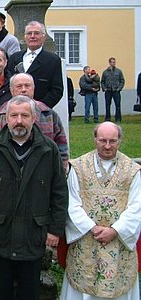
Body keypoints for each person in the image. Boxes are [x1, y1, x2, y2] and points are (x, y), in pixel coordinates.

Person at [0, 95, 68, 300]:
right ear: (5, 118)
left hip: (33, 235)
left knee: (29, 293)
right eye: (14, 115)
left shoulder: (49, 149)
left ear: (34, 118)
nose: (19, 120)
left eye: (24, 115)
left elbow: (59, 192)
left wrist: (55, 229)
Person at [60, 122, 141, 300]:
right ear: (95, 139)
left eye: (112, 141)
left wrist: (115, 230)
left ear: (120, 141)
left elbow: (137, 207)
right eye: (102, 140)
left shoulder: (133, 170)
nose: (107, 146)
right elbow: (71, 203)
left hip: (118, 242)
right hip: (86, 239)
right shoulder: (78, 167)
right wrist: (92, 227)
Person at [0, 73, 69, 168]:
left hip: (43, 173)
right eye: (19, 86)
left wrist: (61, 170)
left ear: (33, 89)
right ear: (11, 90)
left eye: (27, 86)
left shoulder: (49, 114)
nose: (23, 89)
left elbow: (62, 148)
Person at [7, 21, 63, 108]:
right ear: (25, 37)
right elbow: (8, 84)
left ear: (44, 37)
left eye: (37, 33)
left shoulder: (53, 60)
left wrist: (39, 107)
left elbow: (57, 90)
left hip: (40, 110)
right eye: (29, 33)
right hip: (15, 108)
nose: (32, 36)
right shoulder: (14, 58)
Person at [101, 57, 125, 122]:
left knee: (118, 105)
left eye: (114, 62)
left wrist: (119, 88)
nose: (114, 63)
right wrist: (104, 88)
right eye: (112, 62)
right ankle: (108, 118)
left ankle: (118, 118)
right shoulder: (105, 72)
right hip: (108, 91)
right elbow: (102, 81)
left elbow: (122, 81)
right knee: (107, 105)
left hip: (116, 91)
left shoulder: (119, 71)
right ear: (109, 63)